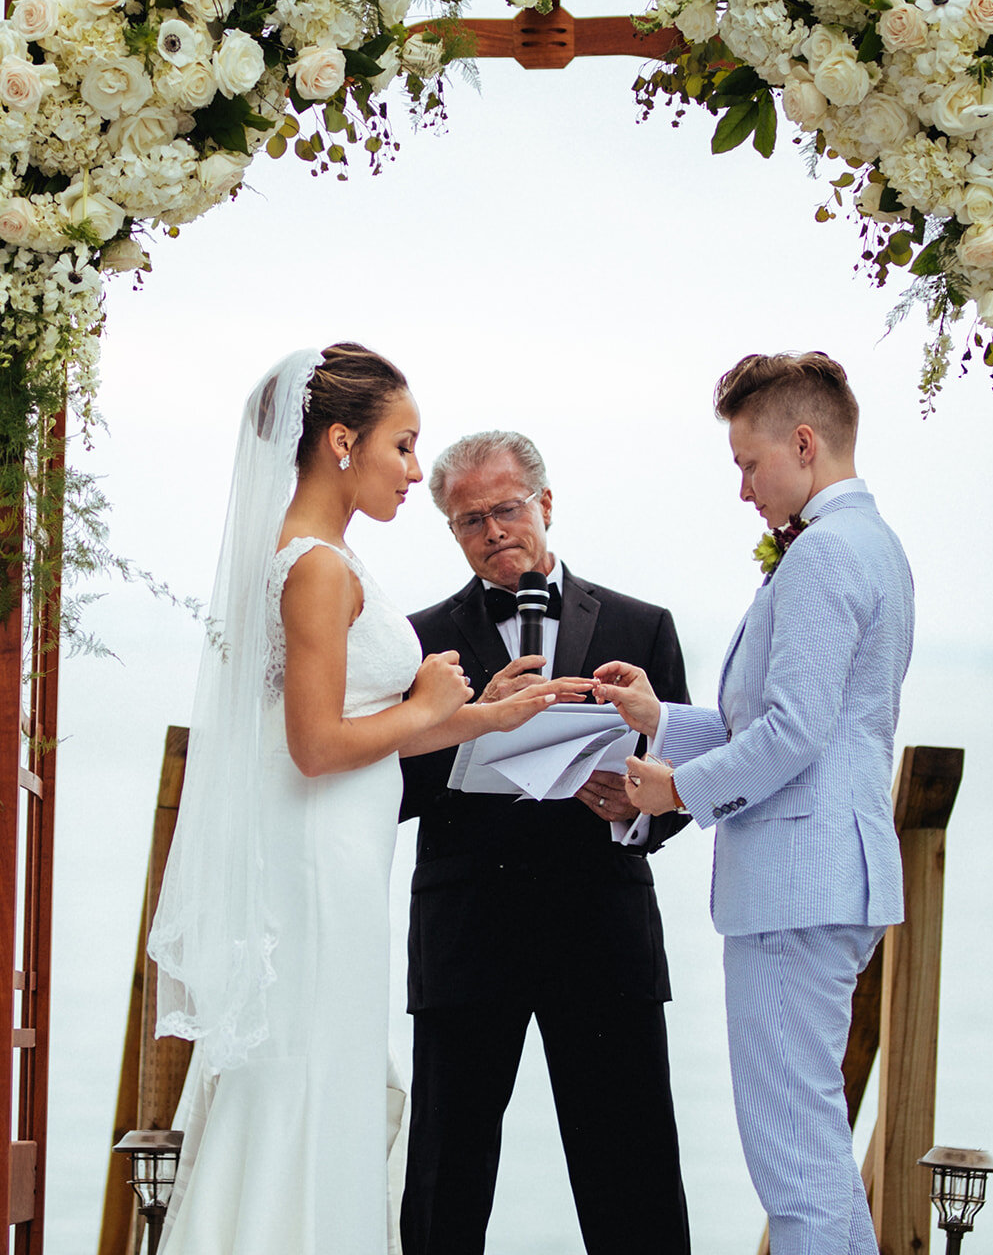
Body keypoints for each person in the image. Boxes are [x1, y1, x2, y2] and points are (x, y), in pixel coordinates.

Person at [148, 347, 582, 1255]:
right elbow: (313, 747)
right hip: (316, 862)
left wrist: (479, 716)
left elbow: (361, 727)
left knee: (328, 1068)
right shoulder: (314, 568)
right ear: (342, 442)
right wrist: (426, 705)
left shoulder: (326, 557)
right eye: (403, 444)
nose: (414, 471)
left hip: (339, 855)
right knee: (306, 1071)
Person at [595, 352, 913, 1255]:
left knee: (793, 1160)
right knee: (812, 1149)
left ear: (803, 444)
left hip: (794, 884)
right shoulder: (873, 545)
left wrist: (674, 788)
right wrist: (660, 717)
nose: (743, 489)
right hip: (830, 873)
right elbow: (813, 725)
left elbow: (793, 732)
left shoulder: (822, 556)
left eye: (748, 463)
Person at [399, 430, 692, 1255]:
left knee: (631, 1177)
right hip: (467, 937)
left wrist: (632, 807)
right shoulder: (420, 640)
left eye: (506, 509)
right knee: (445, 1181)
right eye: (468, 521)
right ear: (451, 531)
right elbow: (384, 790)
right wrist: (462, 730)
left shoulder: (642, 625)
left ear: (545, 503)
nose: (492, 531)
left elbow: (687, 778)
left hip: (602, 933)